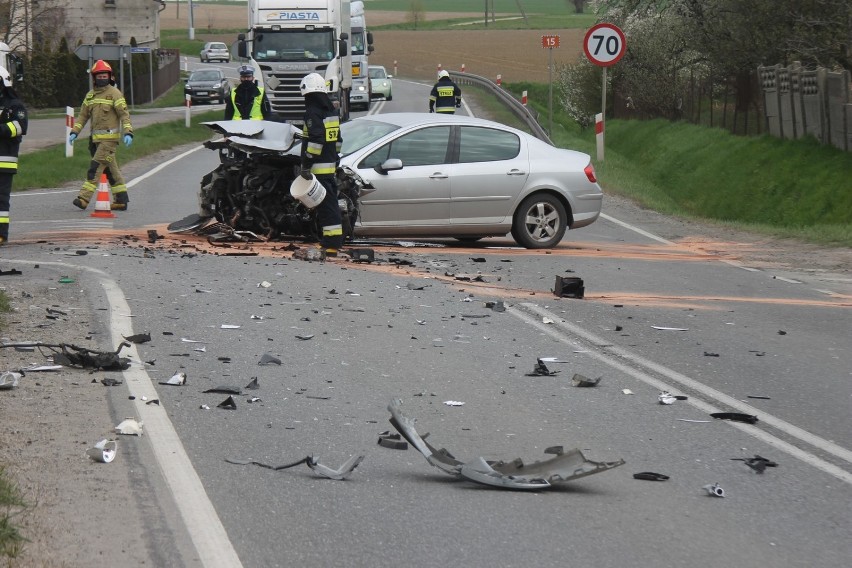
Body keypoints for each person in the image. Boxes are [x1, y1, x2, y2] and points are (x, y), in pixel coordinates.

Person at [68, 60, 133, 211]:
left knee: (95, 168)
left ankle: (84, 198)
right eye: (100, 75)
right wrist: (74, 132)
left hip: (109, 141)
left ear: (110, 77)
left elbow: (124, 115)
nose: (102, 78)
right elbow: (83, 116)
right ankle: (121, 199)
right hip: (95, 141)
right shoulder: (90, 96)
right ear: (94, 78)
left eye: (105, 75)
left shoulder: (115, 94)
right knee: (111, 170)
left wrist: (128, 132)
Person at [299, 72, 343, 257]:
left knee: (327, 208)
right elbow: (338, 139)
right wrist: (334, 157)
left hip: (318, 169)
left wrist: (308, 161)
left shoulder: (313, 112)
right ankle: (330, 242)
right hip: (330, 166)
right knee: (330, 205)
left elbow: (316, 139)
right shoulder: (331, 111)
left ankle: (331, 244)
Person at [0, 66, 27, 246]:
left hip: (4, 161)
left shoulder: (15, 105)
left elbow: (20, 127)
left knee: (1, 200)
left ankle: (1, 234)